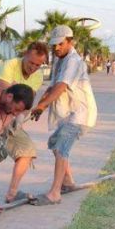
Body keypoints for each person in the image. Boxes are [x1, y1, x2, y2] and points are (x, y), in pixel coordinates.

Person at [29, 25, 98, 206]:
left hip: (80, 114)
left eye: (60, 44)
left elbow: (61, 87)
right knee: (54, 143)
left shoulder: (73, 61)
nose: (56, 48)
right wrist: (39, 104)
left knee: (61, 148)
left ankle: (55, 193)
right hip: (69, 115)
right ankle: (67, 182)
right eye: (54, 45)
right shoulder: (60, 61)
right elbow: (53, 87)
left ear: (70, 42)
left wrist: (43, 106)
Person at [0, 41, 48, 203]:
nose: (34, 67)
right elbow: (7, 94)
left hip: (12, 118)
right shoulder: (10, 65)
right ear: (25, 55)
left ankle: (12, 193)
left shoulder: (38, 76)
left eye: (38, 65)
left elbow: (27, 102)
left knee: (27, 150)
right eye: (31, 63)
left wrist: (19, 118)